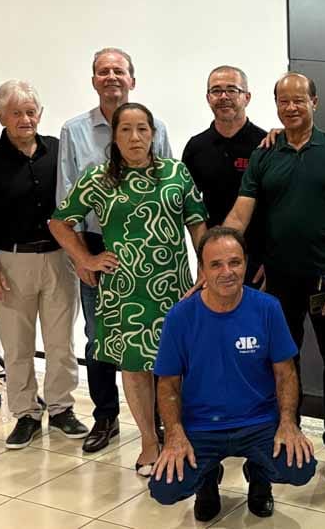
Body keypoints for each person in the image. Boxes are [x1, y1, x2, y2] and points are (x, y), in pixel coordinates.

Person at [50, 102, 207, 477]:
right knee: (134, 368)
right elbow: (60, 223)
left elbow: (197, 222)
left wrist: (205, 268)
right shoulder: (98, 178)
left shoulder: (175, 173)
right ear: (114, 137)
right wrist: (85, 259)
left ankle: (177, 437)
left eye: (142, 129)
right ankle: (149, 442)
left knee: (174, 367)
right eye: (126, 130)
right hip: (124, 292)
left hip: (173, 288)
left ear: (153, 134)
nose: (135, 137)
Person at [222, 72, 325, 480]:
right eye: (284, 101)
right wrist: (219, 251)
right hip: (279, 282)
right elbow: (241, 211)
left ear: (315, 102)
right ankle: (287, 431)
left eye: (300, 100)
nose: (292, 107)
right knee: (283, 360)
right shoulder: (266, 153)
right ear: (276, 105)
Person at [148, 227, 317, 521]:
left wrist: (288, 423)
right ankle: (207, 479)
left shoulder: (267, 308)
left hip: (259, 421)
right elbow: (168, 384)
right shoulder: (180, 317)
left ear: (246, 263)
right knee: (165, 488)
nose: (227, 272)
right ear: (202, 269)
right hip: (201, 425)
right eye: (216, 264)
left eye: (235, 262)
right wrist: (174, 434)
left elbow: (286, 374)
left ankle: (260, 475)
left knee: (299, 469)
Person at [57, 47, 174, 454]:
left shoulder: (156, 124)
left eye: (119, 71)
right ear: (94, 81)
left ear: (132, 79)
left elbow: (169, 188)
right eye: (103, 71)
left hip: (155, 251)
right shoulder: (74, 131)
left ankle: (160, 424)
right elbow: (64, 206)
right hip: (100, 247)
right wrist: (82, 257)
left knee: (162, 342)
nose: (111, 77)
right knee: (99, 337)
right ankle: (106, 417)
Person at [0, 80, 88, 449]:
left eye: (31, 111)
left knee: (60, 341)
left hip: (58, 259)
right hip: (10, 262)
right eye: (16, 112)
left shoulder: (57, 150)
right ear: (2, 116)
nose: (25, 118)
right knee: (17, 344)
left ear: (40, 114)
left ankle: (62, 407)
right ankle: (24, 413)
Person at [181, 65, 267, 285]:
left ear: (247, 97)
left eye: (232, 90)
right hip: (215, 260)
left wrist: (270, 257)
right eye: (216, 91)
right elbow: (190, 210)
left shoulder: (266, 144)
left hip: (260, 262)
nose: (224, 97)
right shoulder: (196, 147)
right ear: (208, 98)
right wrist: (203, 259)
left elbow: (280, 204)